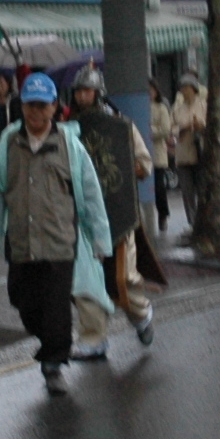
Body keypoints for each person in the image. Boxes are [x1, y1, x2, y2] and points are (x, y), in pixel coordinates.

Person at [0, 73, 114, 396]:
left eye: (42, 105)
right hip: (21, 243)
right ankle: (48, 342)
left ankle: (53, 364)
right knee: (23, 302)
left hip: (60, 243)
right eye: (30, 105)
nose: (36, 112)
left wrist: (100, 240)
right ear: (22, 107)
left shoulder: (71, 146)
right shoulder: (7, 145)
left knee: (55, 310)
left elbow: (90, 194)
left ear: (54, 108)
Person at [62, 67, 157, 357]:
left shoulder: (120, 126)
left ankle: (141, 315)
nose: (82, 95)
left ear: (97, 92)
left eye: (86, 90)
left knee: (122, 279)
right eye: (78, 91)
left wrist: (132, 166)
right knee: (85, 280)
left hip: (117, 216)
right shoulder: (67, 129)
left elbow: (144, 163)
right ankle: (94, 338)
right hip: (85, 219)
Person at [159, 73, 208, 238]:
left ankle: (204, 221)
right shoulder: (177, 109)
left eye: (187, 88)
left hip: (200, 152)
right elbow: (170, 128)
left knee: (202, 189)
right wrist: (181, 129)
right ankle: (192, 222)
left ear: (194, 89)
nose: (184, 91)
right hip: (183, 153)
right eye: (182, 88)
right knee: (187, 191)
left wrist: (201, 126)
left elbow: (210, 126)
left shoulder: (203, 105)